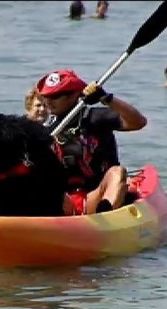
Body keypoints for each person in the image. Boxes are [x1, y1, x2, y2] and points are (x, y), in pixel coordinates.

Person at [36, 69, 147, 214]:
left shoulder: (96, 117)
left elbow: (138, 122)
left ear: (74, 95)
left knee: (117, 172)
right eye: (46, 96)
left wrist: (107, 98)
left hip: (98, 194)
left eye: (55, 96)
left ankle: (107, 218)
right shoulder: (47, 127)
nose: (48, 101)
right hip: (66, 199)